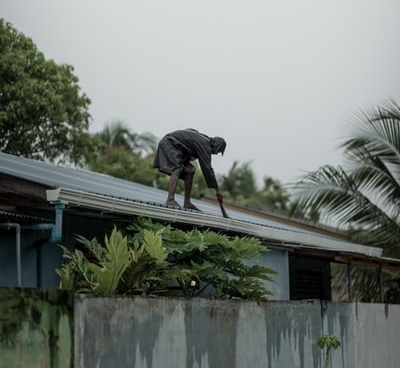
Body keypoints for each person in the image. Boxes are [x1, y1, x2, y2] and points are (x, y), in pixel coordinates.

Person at [154, 128, 226, 211]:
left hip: (180, 149)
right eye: (218, 150)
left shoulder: (203, 140)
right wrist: (217, 189)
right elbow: (207, 168)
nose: (216, 153)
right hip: (170, 143)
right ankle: (170, 199)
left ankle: (187, 202)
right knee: (177, 168)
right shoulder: (205, 145)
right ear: (216, 146)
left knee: (190, 170)